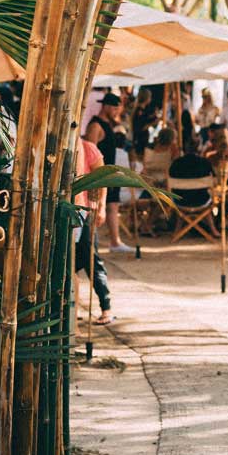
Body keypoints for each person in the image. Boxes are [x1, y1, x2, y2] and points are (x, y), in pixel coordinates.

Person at [74, 130, 112, 325]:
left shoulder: (88, 148)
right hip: (68, 211)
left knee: (91, 259)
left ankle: (106, 306)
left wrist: (102, 206)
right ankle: (73, 307)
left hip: (85, 212)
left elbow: (103, 180)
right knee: (71, 264)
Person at [92, 92, 135, 253]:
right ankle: (98, 242)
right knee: (102, 207)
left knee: (113, 205)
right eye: (115, 109)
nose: (117, 113)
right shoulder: (96, 125)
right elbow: (91, 149)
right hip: (101, 173)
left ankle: (115, 241)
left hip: (110, 172)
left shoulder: (108, 124)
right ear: (107, 107)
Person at [169, 138, 219, 235]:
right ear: (198, 149)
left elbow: (170, 180)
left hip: (180, 201)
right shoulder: (205, 162)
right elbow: (214, 181)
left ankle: (177, 231)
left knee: (184, 198)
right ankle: (213, 230)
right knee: (207, 205)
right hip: (202, 201)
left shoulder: (176, 163)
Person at [131, 86, 159, 159]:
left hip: (142, 138)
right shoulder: (139, 111)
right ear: (146, 98)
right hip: (140, 139)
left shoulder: (142, 110)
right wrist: (152, 123)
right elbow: (140, 127)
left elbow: (145, 119)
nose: (150, 99)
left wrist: (153, 116)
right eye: (150, 97)